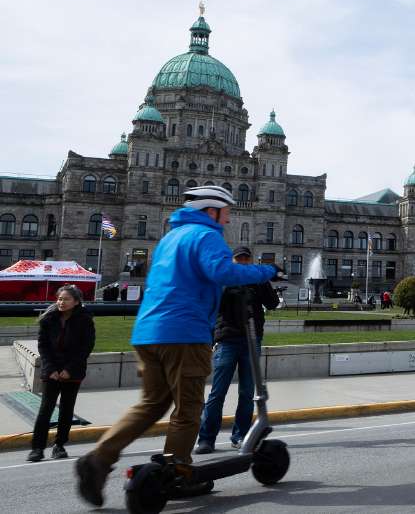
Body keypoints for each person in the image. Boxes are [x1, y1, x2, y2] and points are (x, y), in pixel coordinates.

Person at [75, 186, 279, 507]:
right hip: (184, 333)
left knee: (152, 403)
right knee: (187, 409)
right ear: (211, 211)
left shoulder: (169, 238)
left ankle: (100, 458)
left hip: (148, 332)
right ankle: (178, 473)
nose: (228, 217)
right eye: (225, 211)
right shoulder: (205, 235)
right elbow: (221, 271)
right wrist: (266, 270)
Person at [194, 247, 281, 454]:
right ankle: (206, 438)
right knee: (218, 391)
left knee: (247, 392)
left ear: (250, 260)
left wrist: (259, 284)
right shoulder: (224, 279)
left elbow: (273, 303)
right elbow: (212, 306)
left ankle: (241, 435)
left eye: (246, 259)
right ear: (233, 261)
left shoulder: (257, 279)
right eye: (239, 259)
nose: (242, 262)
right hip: (227, 340)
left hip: (252, 340)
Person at [28, 285, 95, 462]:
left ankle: (59, 445)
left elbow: (85, 348)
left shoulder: (85, 320)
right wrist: (51, 369)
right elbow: (43, 346)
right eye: (59, 299)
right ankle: (37, 448)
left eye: (65, 299)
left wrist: (68, 370)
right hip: (51, 372)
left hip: (72, 372)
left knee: (67, 409)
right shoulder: (48, 319)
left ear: (76, 302)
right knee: (45, 409)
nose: (61, 302)